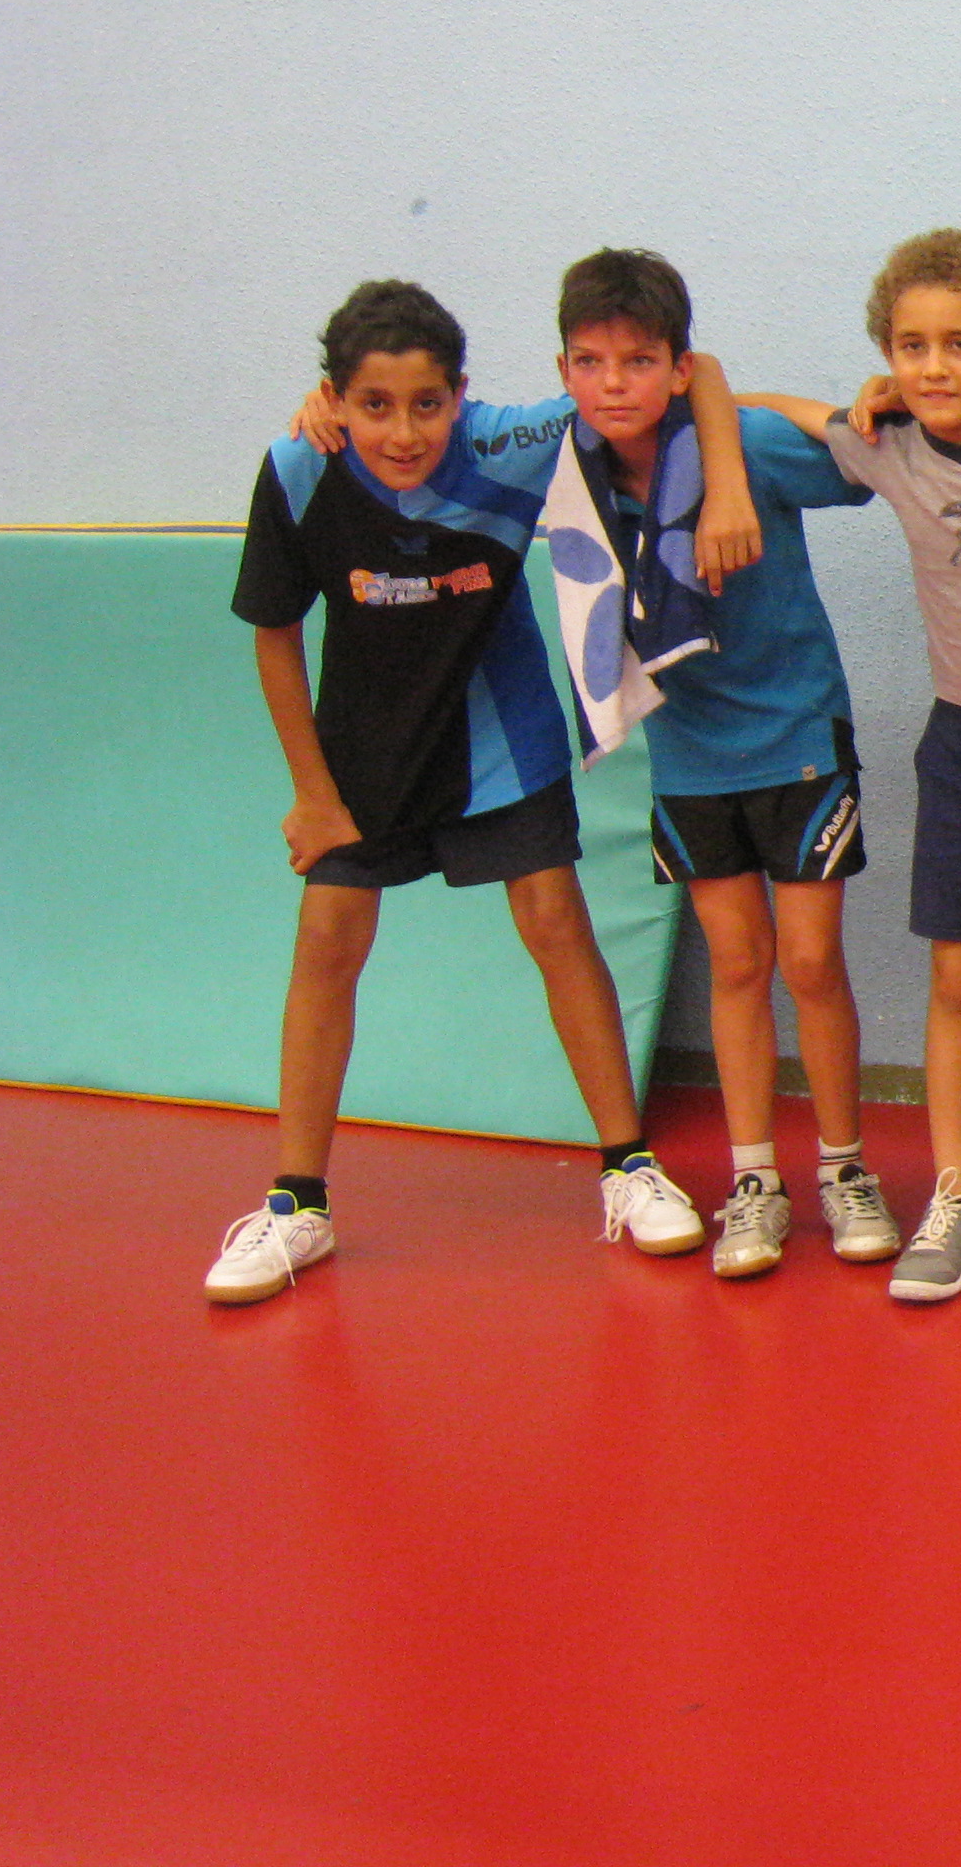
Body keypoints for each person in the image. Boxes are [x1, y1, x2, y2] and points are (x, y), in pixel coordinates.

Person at [206, 279, 741, 1302]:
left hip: (501, 738)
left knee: (555, 920)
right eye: (373, 405)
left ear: (461, 394)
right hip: (362, 757)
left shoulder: (507, 443)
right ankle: (295, 1204)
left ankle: (628, 1166)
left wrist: (728, 489)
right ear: (335, 399)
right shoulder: (298, 467)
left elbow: (692, 380)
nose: (403, 431)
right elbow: (274, 635)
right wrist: (311, 792)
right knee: (328, 942)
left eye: (426, 403)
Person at [748, 231, 961, 1305]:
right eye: (911, 347)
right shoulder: (883, 445)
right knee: (960, 979)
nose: (935, 366)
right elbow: (750, 406)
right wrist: (857, 394)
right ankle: (957, 1190)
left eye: (960, 344)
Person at [550, 249, 898, 1280]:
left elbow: (861, 459)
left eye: (639, 362)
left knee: (809, 962)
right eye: (590, 362)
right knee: (737, 964)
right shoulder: (565, 466)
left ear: (676, 366)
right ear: (564, 371)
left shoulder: (740, 443)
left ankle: (844, 1167)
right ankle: (755, 1179)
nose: (614, 383)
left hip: (797, 736)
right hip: (691, 757)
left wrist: (744, 436)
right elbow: (436, 445)